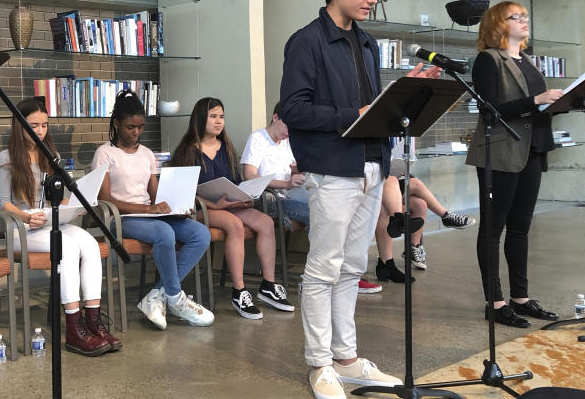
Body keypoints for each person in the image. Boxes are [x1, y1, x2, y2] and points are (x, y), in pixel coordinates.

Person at [279, 0, 440, 399]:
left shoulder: (367, 44)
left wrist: (408, 91)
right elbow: (293, 109)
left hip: (372, 167)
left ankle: (346, 358)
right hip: (331, 171)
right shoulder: (306, 42)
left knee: (352, 268)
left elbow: (375, 107)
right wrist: (355, 114)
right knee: (323, 269)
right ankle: (318, 363)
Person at [0, 98, 119, 356]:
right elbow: (3, 203)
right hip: (20, 227)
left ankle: (93, 323)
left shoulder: (51, 156)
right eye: (34, 125)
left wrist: (75, 204)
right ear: (20, 126)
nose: (40, 131)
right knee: (69, 247)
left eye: (44, 125)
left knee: (91, 244)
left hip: (47, 220)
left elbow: (53, 199)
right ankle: (74, 329)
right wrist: (26, 217)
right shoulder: (5, 158)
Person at [466, 2, 562, 328]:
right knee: (493, 229)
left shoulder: (529, 62)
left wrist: (562, 102)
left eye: (525, 16)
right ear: (498, 24)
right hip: (501, 153)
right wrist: (537, 101)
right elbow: (490, 110)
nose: (523, 21)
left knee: (520, 228)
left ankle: (520, 297)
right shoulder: (488, 60)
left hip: (532, 149)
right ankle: (494, 302)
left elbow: (536, 107)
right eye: (515, 17)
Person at [93, 90, 213, 329]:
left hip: (150, 216)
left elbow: (157, 195)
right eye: (130, 127)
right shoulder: (104, 153)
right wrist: (148, 209)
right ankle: (176, 298)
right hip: (121, 218)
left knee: (200, 234)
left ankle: (160, 294)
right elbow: (105, 199)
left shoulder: (147, 154)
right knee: (164, 233)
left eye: (140, 127)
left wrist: (176, 207)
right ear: (116, 124)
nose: (136, 132)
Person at [241, 103, 383, 295]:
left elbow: (293, 168)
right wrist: (287, 184)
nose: (290, 132)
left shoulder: (287, 142)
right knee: (319, 215)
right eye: (288, 126)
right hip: (270, 198)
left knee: (333, 207)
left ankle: (345, 274)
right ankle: (319, 276)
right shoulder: (258, 138)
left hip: (290, 194)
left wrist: (297, 170)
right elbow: (249, 176)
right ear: (275, 118)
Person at [172, 97, 291, 319]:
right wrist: (214, 204)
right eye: (213, 117)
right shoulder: (187, 150)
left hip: (229, 204)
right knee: (235, 225)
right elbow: (184, 194)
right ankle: (239, 291)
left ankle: (268, 285)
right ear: (200, 118)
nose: (219, 122)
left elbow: (235, 180)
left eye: (222, 117)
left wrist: (245, 196)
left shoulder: (225, 146)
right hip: (203, 209)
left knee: (265, 222)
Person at [373, 140, 476, 282]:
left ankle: (411, 249)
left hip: (389, 180)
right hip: (377, 181)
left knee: (420, 204)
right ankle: (444, 215)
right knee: (408, 186)